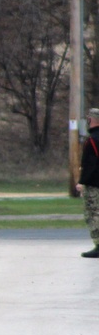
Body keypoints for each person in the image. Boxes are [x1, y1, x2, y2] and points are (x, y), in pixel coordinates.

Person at [75, 108, 99, 257]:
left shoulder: (92, 140)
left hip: (94, 184)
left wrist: (82, 182)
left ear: (91, 120)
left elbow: (91, 164)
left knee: (93, 213)